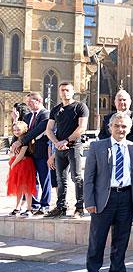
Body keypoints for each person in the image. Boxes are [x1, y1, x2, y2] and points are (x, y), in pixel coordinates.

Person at [82, 113, 133, 272]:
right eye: (117, 126)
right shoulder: (97, 147)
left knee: (121, 239)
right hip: (104, 200)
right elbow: (89, 178)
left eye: (124, 126)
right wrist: (90, 201)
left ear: (130, 129)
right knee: (97, 241)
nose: (120, 129)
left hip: (126, 198)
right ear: (110, 127)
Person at [44, 82, 89, 218]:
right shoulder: (56, 109)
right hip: (59, 148)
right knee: (60, 179)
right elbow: (49, 129)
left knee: (76, 177)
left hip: (74, 146)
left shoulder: (80, 107)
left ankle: (80, 207)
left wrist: (66, 141)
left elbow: (82, 128)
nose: (65, 92)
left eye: (67, 90)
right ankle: (61, 207)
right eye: (62, 90)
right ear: (59, 92)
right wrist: (57, 143)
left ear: (73, 91)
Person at [14, 92, 52, 214]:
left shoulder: (46, 114)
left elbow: (36, 131)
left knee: (44, 179)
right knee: (32, 180)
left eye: (30, 102)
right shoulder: (28, 116)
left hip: (42, 152)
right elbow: (22, 131)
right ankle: (33, 205)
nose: (28, 105)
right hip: (29, 153)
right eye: (27, 103)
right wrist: (15, 142)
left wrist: (20, 142)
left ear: (39, 100)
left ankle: (45, 205)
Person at [7, 121, 37, 217]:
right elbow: (11, 153)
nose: (16, 131)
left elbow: (21, 154)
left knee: (27, 188)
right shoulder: (15, 139)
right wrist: (12, 156)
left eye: (18, 129)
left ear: (24, 129)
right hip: (17, 165)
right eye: (14, 130)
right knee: (18, 188)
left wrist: (13, 163)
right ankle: (17, 207)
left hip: (25, 164)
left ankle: (29, 209)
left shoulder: (25, 139)